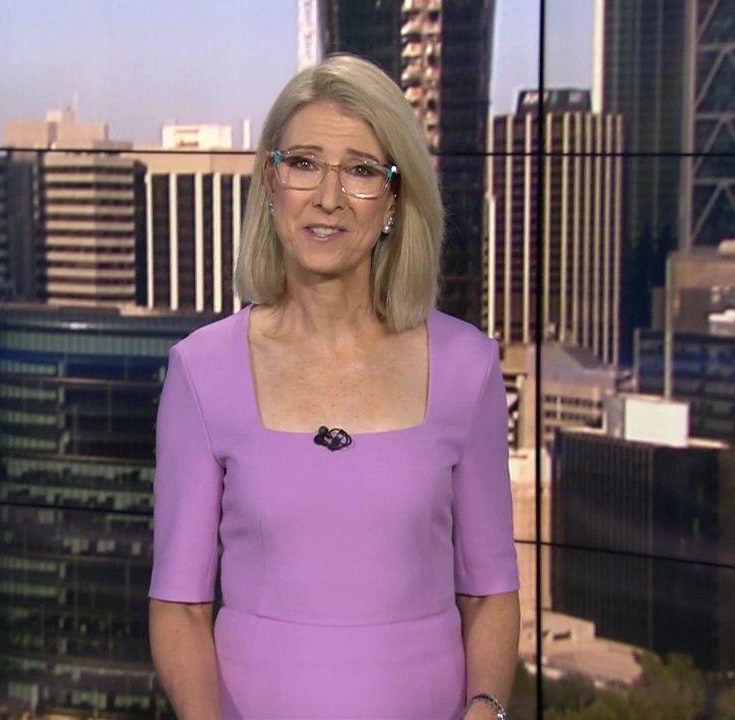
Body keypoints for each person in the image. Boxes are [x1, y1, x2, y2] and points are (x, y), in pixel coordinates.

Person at [148, 54, 520, 719]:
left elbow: (490, 591)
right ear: (271, 182)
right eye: (304, 163)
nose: (328, 197)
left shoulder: (468, 366)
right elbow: (180, 606)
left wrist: (486, 710)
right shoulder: (201, 370)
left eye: (361, 171)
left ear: (395, 200)